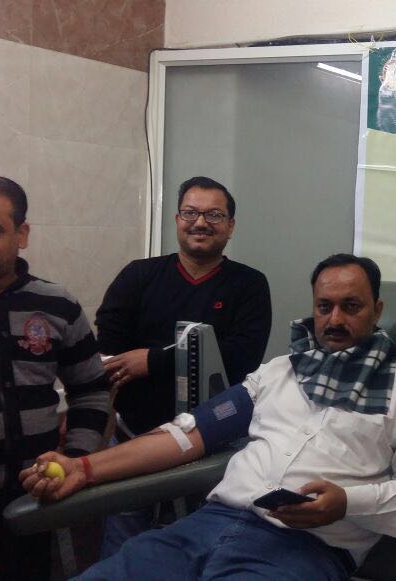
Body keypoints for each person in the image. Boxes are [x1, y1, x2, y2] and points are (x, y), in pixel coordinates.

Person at [22, 254, 396, 580]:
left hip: (305, 549)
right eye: (324, 306)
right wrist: (84, 468)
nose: (335, 319)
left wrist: (347, 503)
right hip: (205, 527)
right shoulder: (279, 372)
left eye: (351, 306)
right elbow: (188, 435)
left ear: (376, 310)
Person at [0, 174, 110, 579]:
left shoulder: (57, 304)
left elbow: (91, 390)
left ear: (22, 234)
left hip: (36, 502)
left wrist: (74, 460)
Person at [94, 176, 272, 554]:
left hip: (214, 444)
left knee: (201, 546)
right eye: (190, 213)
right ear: (177, 220)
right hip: (134, 437)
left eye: (214, 215)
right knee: (123, 544)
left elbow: (243, 356)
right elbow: (109, 348)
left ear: (230, 226)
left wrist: (152, 360)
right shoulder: (138, 275)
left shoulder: (250, 285)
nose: (200, 222)